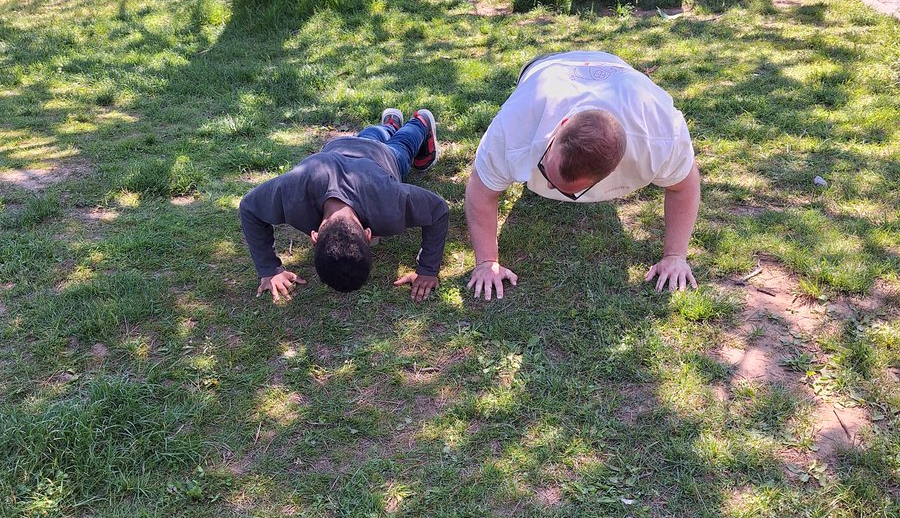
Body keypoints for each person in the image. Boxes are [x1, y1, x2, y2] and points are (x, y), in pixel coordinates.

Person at [464, 51, 700, 300]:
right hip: (546, 68)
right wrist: (486, 261)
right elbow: (480, 189)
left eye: (566, 189)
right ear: (562, 124)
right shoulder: (515, 126)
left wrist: (675, 256)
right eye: (545, 169)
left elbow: (683, 187)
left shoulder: (660, 134)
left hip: (619, 71)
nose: (550, 188)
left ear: (614, 171)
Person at [239, 109, 447, 303]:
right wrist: (269, 270)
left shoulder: (388, 199)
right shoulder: (293, 189)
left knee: (403, 146)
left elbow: (438, 210)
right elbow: (248, 207)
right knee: (376, 138)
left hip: (381, 155)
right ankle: (393, 125)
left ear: (314, 237)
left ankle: (419, 122)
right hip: (345, 146)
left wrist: (428, 270)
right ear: (368, 234)